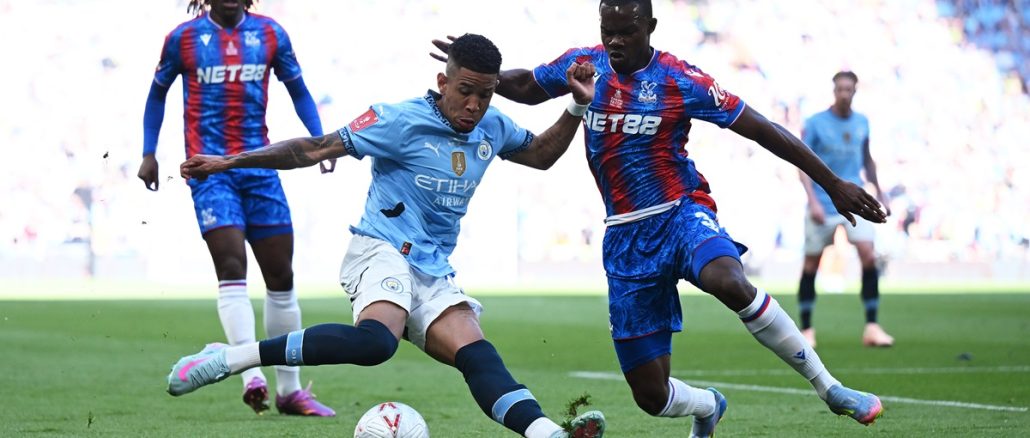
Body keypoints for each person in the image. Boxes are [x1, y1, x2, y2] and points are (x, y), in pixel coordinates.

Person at [431, 1, 887, 435]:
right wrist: (478, 74)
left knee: (729, 280)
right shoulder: (584, 66)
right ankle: (708, 406)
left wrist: (832, 183)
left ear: (650, 28)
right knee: (652, 395)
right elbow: (526, 87)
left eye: (626, 32)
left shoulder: (680, 79)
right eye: (607, 31)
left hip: (680, 211)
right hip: (625, 237)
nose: (615, 41)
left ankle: (830, 388)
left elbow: (762, 128)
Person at [166, 34, 606, 438]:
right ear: (443, 82)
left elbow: (542, 155)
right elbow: (312, 149)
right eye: (465, 91)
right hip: (381, 248)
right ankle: (232, 357)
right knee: (376, 343)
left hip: (432, 267)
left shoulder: (493, 125)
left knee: (478, 354)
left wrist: (577, 106)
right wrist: (229, 162)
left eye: (485, 94)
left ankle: (550, 434)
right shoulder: (397, 120)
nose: (474, 105)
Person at [138, 0, 334, 416]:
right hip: (209, 171)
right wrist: (148, 152)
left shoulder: (271, 34)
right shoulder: (182, 38)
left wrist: (320, 141)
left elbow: (298, 90)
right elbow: (157, 95)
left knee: (281, 275)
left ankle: (289, 391)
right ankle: (251, 376)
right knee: (231, 266)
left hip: (260, 166)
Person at [798, 71, 894, 348]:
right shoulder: (815, 123)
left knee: (868, 255)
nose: (843, 94)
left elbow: (867, 159)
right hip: (823, 200)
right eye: (839, 89)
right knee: (811, 264)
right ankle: (807, 330)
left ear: (854, 91)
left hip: (855, 198)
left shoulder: (862, 122)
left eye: (848, 89)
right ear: (833, 91)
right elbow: (802, 163)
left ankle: (872, 327)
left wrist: (881, 193)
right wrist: (813, 201)